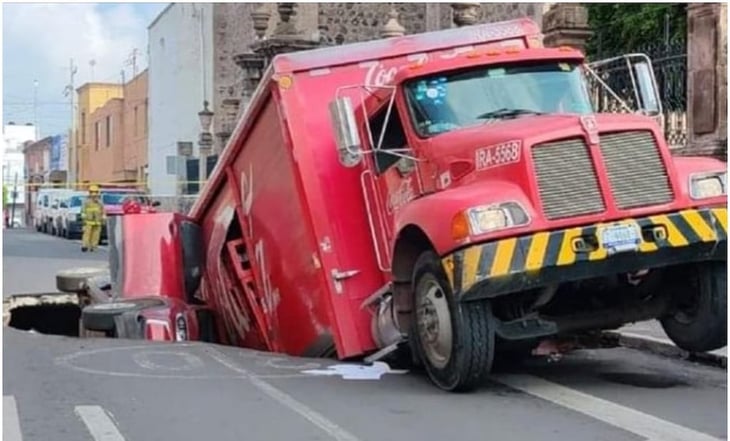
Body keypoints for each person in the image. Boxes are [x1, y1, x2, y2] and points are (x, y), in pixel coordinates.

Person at [81, 185, 105, 252]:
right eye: (92, 192)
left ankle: (93, 246)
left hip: (97, 221)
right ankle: (85, 246)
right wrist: (83, 217)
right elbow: (83, 209)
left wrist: (103, 217)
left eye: (95, 192)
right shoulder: (86, 201)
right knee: (87, 234)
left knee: (96, 235)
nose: (94, 194)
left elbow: (103, 210)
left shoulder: (100, 202)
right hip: (88, 221)